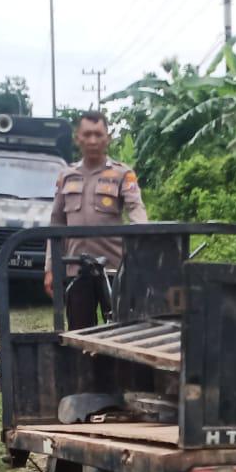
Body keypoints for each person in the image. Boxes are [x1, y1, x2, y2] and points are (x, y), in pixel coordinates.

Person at [44, 111, 147, 330]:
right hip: (76, 271)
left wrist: (143, 258)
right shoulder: (66, 176)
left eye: (98, 134)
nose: (92, 140)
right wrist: (51, 267)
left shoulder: (122, 174)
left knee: (121, 332)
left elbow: (136, 210)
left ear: (108, 138)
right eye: (87, 134)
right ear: (77, 138)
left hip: (114, 272)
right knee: (80, 334)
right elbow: (57, 222)